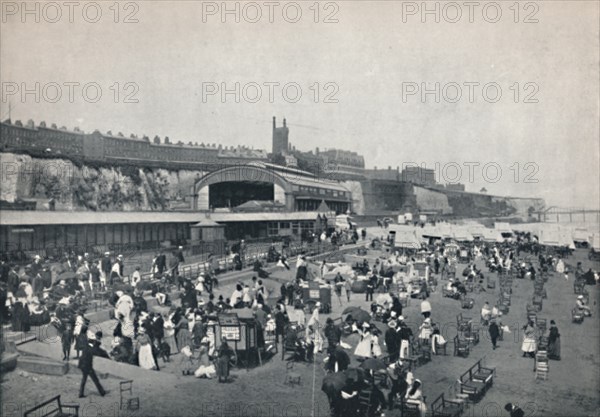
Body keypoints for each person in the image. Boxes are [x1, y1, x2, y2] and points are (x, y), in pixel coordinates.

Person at [78, 333, 106, 398]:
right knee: (95, 379)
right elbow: (97, 351)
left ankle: (80, 394)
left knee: (84, 380)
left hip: (82, 365)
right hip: (88, 366)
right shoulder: (91, 349)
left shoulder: (86, 347)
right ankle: (102, 392)